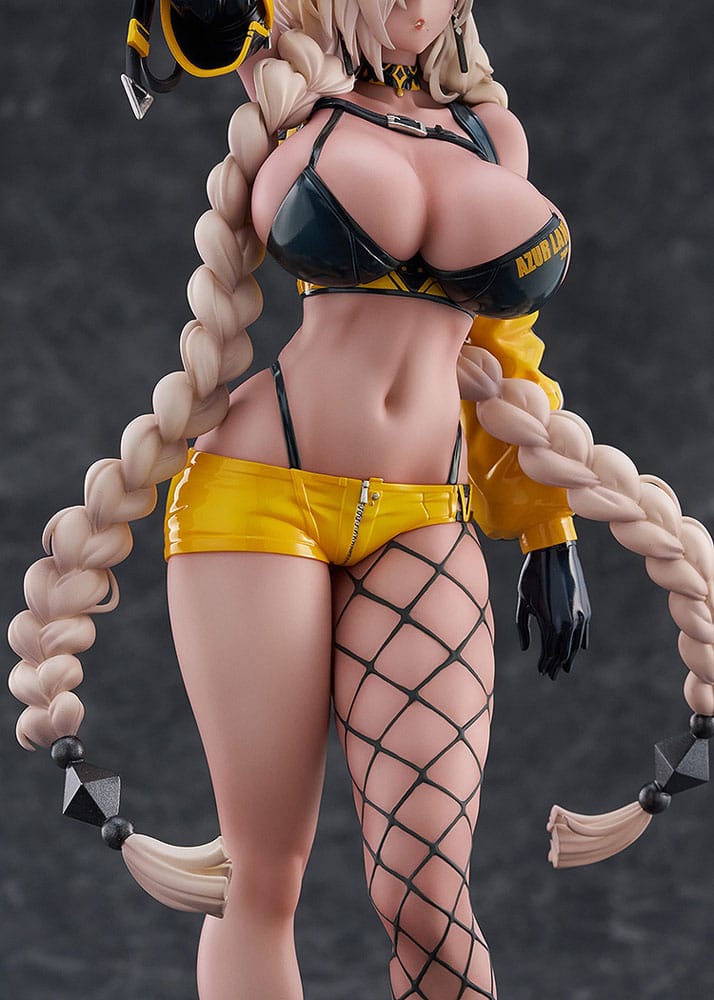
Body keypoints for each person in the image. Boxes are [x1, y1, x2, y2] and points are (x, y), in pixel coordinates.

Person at [8, 3, 714, 999]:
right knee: (259, 878)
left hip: (424, 512)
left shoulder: (492, 134)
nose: (416, 7)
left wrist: (546, 527)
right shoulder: (288, 96)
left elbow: (504, 357)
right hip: (259, 496)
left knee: (428, 893)